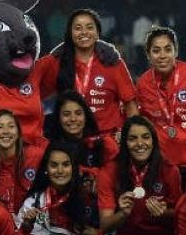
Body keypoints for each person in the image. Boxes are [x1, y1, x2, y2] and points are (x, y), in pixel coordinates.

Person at [98, 116, 186, 235]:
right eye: (133, 139)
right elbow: (105, 225)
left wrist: (164, 214)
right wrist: (122, 213)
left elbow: (182, 217)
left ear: (153, 140)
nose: (140, 144)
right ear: (124, 142)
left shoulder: (169, 170)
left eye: (146, 137)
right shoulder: (109, 171)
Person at [135, 26, 186, 177]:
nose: (162, 55)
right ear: (148, 55)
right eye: (156, 50)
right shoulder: (143, 84)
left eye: (167, 49)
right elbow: (140, 121)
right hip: (163, 168)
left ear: (176, 51)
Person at [50, 8, 138, 138]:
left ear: (97, 33)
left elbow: (131, 107)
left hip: (110, 141)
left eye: (89, 27)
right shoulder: (57, 63)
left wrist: (130, 137)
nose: (84, 32)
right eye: (78, 28)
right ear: (70, 33)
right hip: (72, 140)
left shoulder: (113, 62)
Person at [0, 109, 46, 216]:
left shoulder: (36, 155)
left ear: (18, 134)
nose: (6, 131)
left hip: (38, 224)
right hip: (6, 225)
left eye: (11, 126)